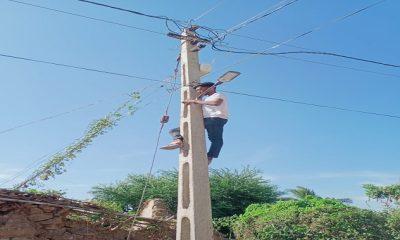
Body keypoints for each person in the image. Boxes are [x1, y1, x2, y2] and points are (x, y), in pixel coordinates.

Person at [160, 82, 228, 165]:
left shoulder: (218, 95)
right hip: (204, 120)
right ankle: (178, 141)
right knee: (175, 130)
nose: (199, 92)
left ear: (209, 88)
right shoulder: (203, 98)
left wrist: (194, 101)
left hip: (216, 118)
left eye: (200, 89)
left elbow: (216, 103)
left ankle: (210, 157)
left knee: (216, 140)